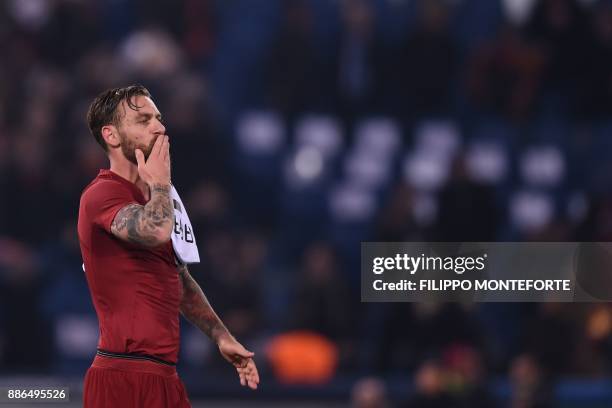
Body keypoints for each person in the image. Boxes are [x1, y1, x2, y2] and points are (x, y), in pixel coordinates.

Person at [77, 85, 259, 407]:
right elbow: (156, 232)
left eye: (158, 118)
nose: (160, 127)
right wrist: (160, 183)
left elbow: (177, 276)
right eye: (143, 119)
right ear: (112, 135)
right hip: (123, 375)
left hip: (164, 376)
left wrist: (221, 336)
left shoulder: (156, 198)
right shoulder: (102, 194)